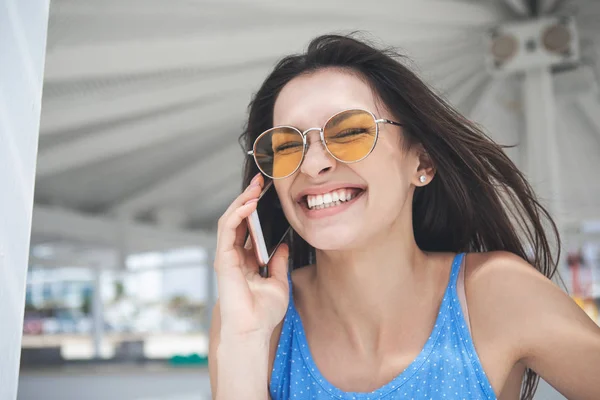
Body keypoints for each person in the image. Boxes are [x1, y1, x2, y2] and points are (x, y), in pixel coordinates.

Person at [208, 34, 600, 400]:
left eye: (348, 133)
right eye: (288, 145)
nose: (311, 165)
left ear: (422, 161)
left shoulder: (495, 294)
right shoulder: (254, 317)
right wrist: (245, 339)